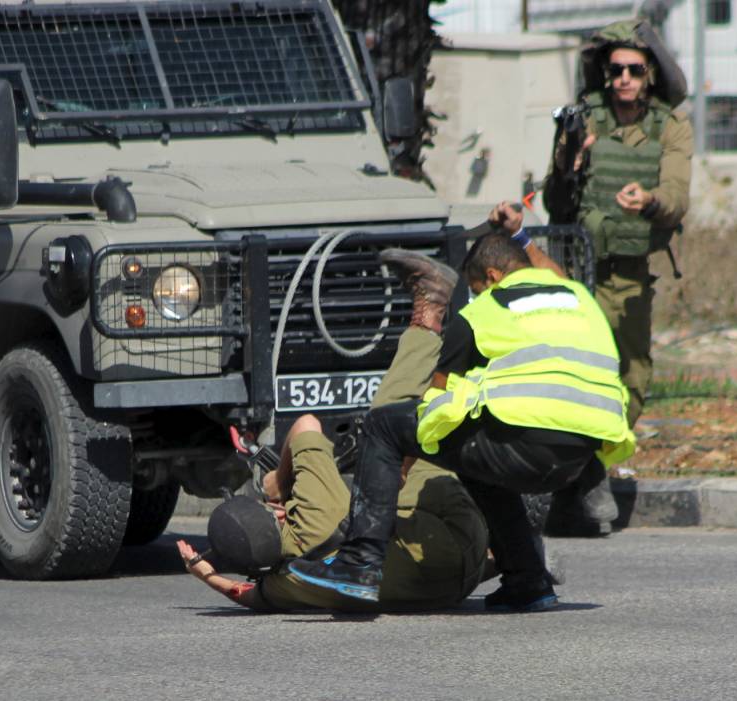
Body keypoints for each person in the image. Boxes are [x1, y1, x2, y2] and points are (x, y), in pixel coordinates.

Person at [288, 231, 636, 612]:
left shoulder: (486, 311)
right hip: (584, 453)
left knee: (384, 426)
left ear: (492, 276)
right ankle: (528, 581)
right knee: (479, 461)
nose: (475, 296)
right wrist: (523, 236)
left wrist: (400, 464)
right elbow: (547, 272)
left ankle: (359, 566)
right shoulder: (577, 297)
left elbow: (435, 403)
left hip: (528, 441)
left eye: (476, 288)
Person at [176, 322, 490, 613]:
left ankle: (510, 550)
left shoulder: (287, 583)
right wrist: (279, 482)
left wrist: (208, 576)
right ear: (277, 513)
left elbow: (241, 592)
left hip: (455, 587)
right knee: (390, 423)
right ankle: (427, 326)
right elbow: (306, 424)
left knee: (398, 510)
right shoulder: (312, 511)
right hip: (456, 535)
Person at [542, 18, 693, 536]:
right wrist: (569, 160)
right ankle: (582, 477)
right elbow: (555, 202)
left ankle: (590, 467)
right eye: (616, 70)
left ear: (649, 73)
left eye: (634, 69)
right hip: (576, 271)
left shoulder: (669, 126)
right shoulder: (585, 120)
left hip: (629, 274)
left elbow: (676, 196)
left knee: (632, 378)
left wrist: (649, 202)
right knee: (574, 375)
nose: (624, 78)